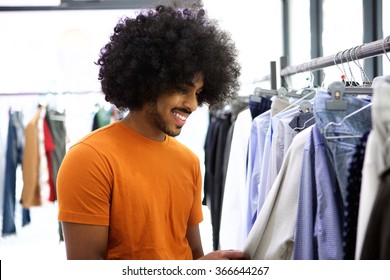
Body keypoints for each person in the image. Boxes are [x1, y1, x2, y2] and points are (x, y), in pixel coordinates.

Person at [57, 3, 248, 260]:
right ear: (148, 82)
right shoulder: (89, 158)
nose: (192, 104)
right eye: (183, 89)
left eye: (198, 93)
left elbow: (192, 256)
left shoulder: (188, 162)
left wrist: (208, 265)